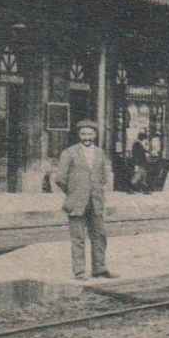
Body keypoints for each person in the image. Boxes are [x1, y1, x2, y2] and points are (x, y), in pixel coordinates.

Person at [53, 120, 115, 280]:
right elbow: (60, 178)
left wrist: (95, 188)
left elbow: (104, 175)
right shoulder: (69, 153)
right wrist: (73, 191)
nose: (86, 137)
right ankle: (79, 272)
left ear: (94, 135)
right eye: (83, 134)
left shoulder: (100, 153)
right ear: (79, 135)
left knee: (100, 236)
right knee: (78, 238)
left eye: (89, 134)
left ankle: (99, 269)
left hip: (95, 202)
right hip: (76, 202)